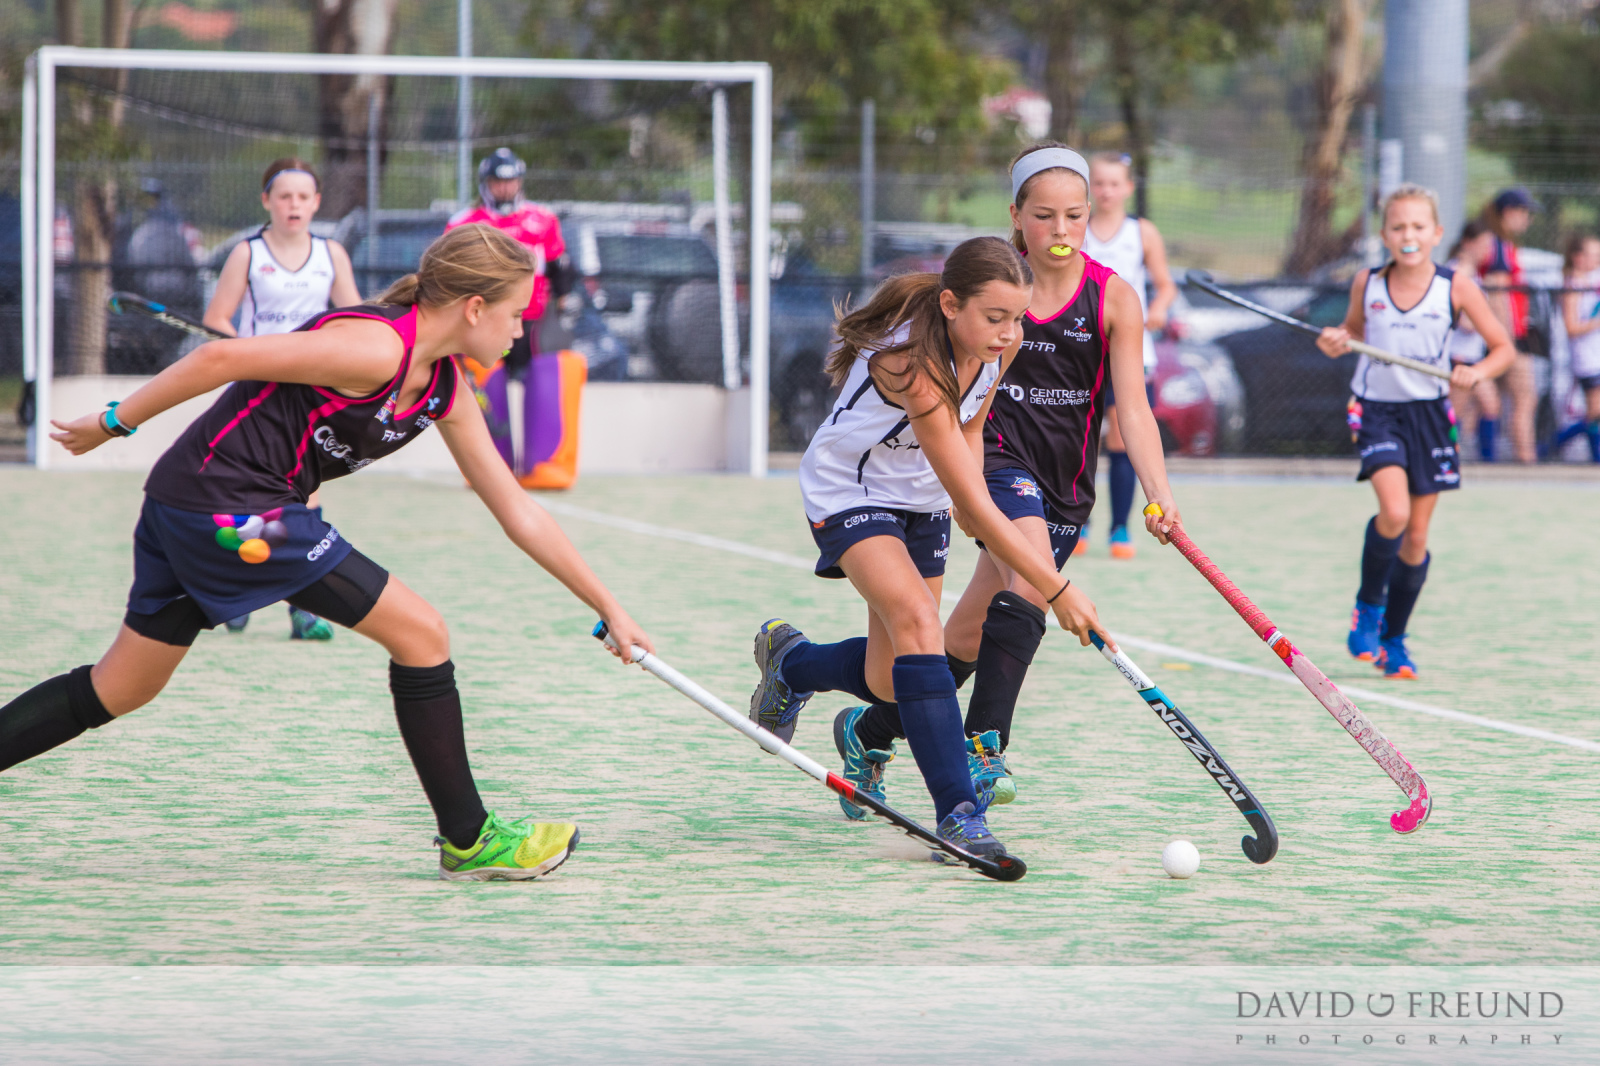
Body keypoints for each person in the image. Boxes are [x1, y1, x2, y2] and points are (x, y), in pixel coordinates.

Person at [5, 224, 653, 881]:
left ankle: (469, 839)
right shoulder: (374, 348)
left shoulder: (445, 389)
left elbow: (517, 510)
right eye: (516, 315)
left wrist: (608, 606)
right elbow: (217, 360)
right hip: (228, 506)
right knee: (421, 632)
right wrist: (113, 422)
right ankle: (470, 838)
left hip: (189, 501)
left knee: (120, 688)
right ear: (475, 308)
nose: (520, 330)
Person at [744, 236, 1115, 866]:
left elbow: (971, 430)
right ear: (950, 305)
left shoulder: (1002, 346)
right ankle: (957, 815)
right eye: (993, 317)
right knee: (920, 622)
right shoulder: (910, 365)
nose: (1008, 333)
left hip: (922, 497)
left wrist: (970, 506)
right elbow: (973, 494)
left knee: (888, 680)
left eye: (1016, 317)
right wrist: (1056, 589)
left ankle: (792, 663)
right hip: (850, 490)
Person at [933, 143, 1179, 805]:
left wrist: (1158, 493)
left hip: (1067, 487)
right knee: (1034, 586)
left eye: (1075, 215)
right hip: (997, 461)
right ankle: (982, 749)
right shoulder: (993, 295)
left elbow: (1134, 408)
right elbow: (958, 400)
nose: (1061, 229)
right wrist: (961, 486)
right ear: (1017, 217)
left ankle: (870, 730)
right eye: (1044, 216)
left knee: (968, 634)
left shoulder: (1113, 298)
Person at [1319, 185, 1515, 679]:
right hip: (1376, 411)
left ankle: (1394, 640)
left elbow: (1503, 349)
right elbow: (1353, 332)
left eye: (1418, 227)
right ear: (1385, 234)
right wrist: (1338, 340)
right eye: (1398, 227)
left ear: (1437, 233)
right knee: (1395, 512)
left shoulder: (1456, 287)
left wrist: (1477, 372)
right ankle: (1368, 607)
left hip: (1429, 415)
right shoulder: (1368, 282)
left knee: (1416, 538)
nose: (1409, 235)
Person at [204, 158, 363, 640]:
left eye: (303, 197)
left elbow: (357, 319)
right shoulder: (247, 254)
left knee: (303, 499)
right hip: (256, 390)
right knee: (248, 497)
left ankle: (302, 607)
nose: (294, 205)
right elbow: (218, 319)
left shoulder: (332, 255)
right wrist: (246, 354)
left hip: (311, 393)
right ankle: (238, 590)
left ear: (316, 203)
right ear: (266, 201)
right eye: (284, 196)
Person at [1079, 151, 1178, 559]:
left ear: (1128, 188)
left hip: (1130, 349)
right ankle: (1078, 520)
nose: (1106, 191)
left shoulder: (1142, 232)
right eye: (1099, 183)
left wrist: (1157, 309)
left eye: (1114, 183)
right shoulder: (1076, 226)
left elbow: (1165, 285)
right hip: (1081, 347)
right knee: (1080, 435)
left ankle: (1119, 527)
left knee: (1122, 435)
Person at [445, 148, 573, 377]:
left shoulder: (543, 219)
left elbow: (559, 266)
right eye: (497, 182)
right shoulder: (465, 222)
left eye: (510, 181)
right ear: (486, 183)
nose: (504, 188)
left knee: (540, 381)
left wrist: (563, 306)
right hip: (484, 319)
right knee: (489, 382)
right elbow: (449, 273)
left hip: (532, 320)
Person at [1478, 187, 1542, 464]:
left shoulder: (1500, 243)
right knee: (1525, 398)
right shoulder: (1497, 246)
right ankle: (1525, 459)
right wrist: (1507, 342)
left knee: (1483, 402)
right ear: (1509, 212)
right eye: (1524, 212)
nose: (1527, 219)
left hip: (1501, 336)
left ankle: (1480, 457)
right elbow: (1497, 296)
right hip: (1506, 337)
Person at [1445, 221, 1501, 460]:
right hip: (1458, 354)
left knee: (1489, 406)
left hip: (1472, 354)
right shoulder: (1457, 273)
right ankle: (1445, 456)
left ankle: (1487, 461)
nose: (1488, 250)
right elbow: (1464, 322)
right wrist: (1484, 321)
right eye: (1484, 244)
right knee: (1455, 412)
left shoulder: (1474, 275)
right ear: (1468, 243)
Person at [1556, 232, 1600, 462]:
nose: (1597, 260)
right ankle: (1555, 443)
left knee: (1595, 413)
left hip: (1596, 355)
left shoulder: (1592, 281)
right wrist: (1596, 323)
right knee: (1595, 411)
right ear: (1578, 257)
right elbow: (1571, 327)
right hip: (1586, 359)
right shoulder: (1572, 286)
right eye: (1593, 255)